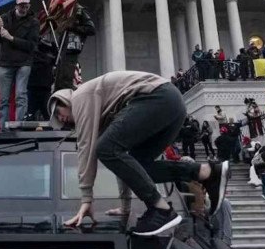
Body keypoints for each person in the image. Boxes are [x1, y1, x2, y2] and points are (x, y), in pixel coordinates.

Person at [48, 71, 230, 236]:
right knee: (138, 164)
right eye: (58, 120)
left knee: (104, 148)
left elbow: (86, 149)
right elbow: (124, 164)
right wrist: (126, 206)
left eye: (58, 112)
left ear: (64, 100)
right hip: (172, 105)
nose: (61, 119)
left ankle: (161, 210)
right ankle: (205, 172)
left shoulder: (80, 97)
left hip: (157, 98)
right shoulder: (102, 111)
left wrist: (86, 199)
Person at [0, 0, 40, 127]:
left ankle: (19, 126)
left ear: (29, 6)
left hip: (24, 63)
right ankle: (3, 128)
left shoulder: (34, 22)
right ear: (16, 5)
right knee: (4, 99)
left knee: (20, 95)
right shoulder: (5, 18)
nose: (23, 8)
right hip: (6, 63)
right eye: (21, 5)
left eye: (26, 6)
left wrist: (11, 38)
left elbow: (32, 45)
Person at [54, 4, 96, 91]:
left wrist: (74, 27)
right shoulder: (63, 12)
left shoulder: (79, 11)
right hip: (61, 50)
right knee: (59, 80)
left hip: (71, 50)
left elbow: (91, 29)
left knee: (66, 80)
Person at [27, 37, 57, 121]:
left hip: (39, 87)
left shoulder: (48, 54)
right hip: (38, 87)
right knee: (44, 114)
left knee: (37, 113)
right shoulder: (48, 57)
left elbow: (57, 58)